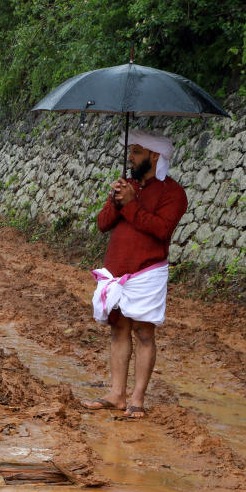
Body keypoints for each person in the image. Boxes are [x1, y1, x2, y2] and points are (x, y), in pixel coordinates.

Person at [81, 130, 188, 420]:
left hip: (148, 272)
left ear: (155, 156)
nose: (131, 156)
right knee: (118, 330)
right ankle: (117, 394)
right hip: (116, 270)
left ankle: (137, 398)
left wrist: (131, 204)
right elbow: (103, 224)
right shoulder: (124, 186)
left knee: (143, 333)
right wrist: (117, 202)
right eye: (131, 151)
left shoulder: (173, 193)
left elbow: (161, 230)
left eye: (137, 151)